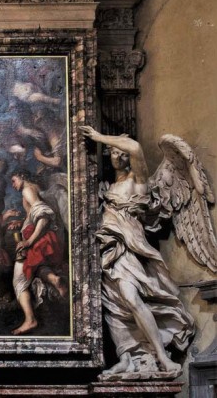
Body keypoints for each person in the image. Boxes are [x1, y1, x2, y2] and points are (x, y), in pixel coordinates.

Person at [79, 125, 194, 375]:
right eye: (112, 152)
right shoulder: (105, 187)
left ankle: (162, 357)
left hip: (128, 249)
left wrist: (98, 138)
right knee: (113, 305)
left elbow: (136, 148)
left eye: (121, 152)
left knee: (131, 298)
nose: (118, 156)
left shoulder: (137, 181)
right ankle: (127, 356)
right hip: (105, 249)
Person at [7, 170, 67, 335]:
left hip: (37, 239)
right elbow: (34, 213)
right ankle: (55, 280)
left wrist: (29, 241)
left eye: (14, 180)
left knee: (19, 281)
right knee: (37, 267)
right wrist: (23, 221)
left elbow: (43, 215)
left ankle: (30, 320)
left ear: (22, 176)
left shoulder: (27, 189)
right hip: (47, 238)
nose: (13, 185)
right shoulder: (37, 188)